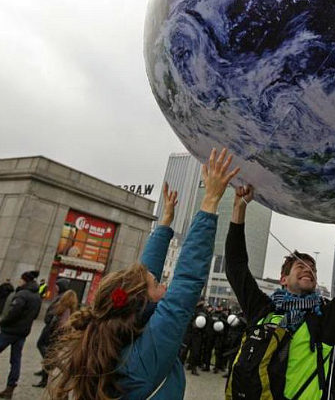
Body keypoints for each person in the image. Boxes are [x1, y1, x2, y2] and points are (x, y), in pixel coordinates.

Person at [46, 147, 239, 400]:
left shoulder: (117, 339)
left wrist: (165, 224)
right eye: (156, 283)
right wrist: (211, 201)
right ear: (141, 300)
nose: (163, 285)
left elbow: (143, 275)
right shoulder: (146, 356)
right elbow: (186, 282)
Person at [225, 185, 335, 399]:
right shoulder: (263, 310)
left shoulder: (325, 318)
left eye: (313, 269)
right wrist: (238, 210)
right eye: (300, 266)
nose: (308, 270)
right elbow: (235, 267)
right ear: (283, 279)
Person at [0, 269, 43, 399]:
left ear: (25, 281)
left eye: (20, 279)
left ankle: (9, 389)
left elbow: (13, 313)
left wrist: (3, 322)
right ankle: (10, 388)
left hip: (10, 331)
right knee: (16, 360)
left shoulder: (23, 294)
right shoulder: (37, 297)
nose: (18, 281)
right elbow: (35, 315)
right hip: (23, 332)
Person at [33, 289, 78, 388]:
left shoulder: (65, 309)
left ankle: (56, 372)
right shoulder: (70, 309)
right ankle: (46, 374)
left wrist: (54, 333)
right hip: (57, 336)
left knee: (50, 357)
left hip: (54, 336)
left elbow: (62, 324)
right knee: (49, 356)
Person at [33, 277, 71, 379]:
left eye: (57, 285)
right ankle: (46, 368)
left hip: (52, 327)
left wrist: (52, 324)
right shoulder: (59, 296)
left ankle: (50, 365)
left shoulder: (62, 298)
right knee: (47, 348)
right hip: (51, 326)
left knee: (42, 345)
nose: (55, 287)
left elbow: (59, 314)